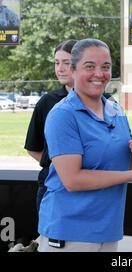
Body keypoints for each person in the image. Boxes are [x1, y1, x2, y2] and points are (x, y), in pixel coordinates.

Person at [37, 38, 132, 252]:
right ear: (73, 70)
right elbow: (72, 180)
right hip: (69, 232)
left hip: (107, 230)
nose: (99, 73)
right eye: (90, 66)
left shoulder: (116, 110)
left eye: (105, 67)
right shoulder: (62, 115)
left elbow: (127, 166)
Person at [24, 40, 77, 212]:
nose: (60, 68)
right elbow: (33, 147)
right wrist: (63, 168)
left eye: (66, 63)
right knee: (52, 239)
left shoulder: (105, 102)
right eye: (56, 62)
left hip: (92, 188)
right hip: (52, 188)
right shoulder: (48, 102)